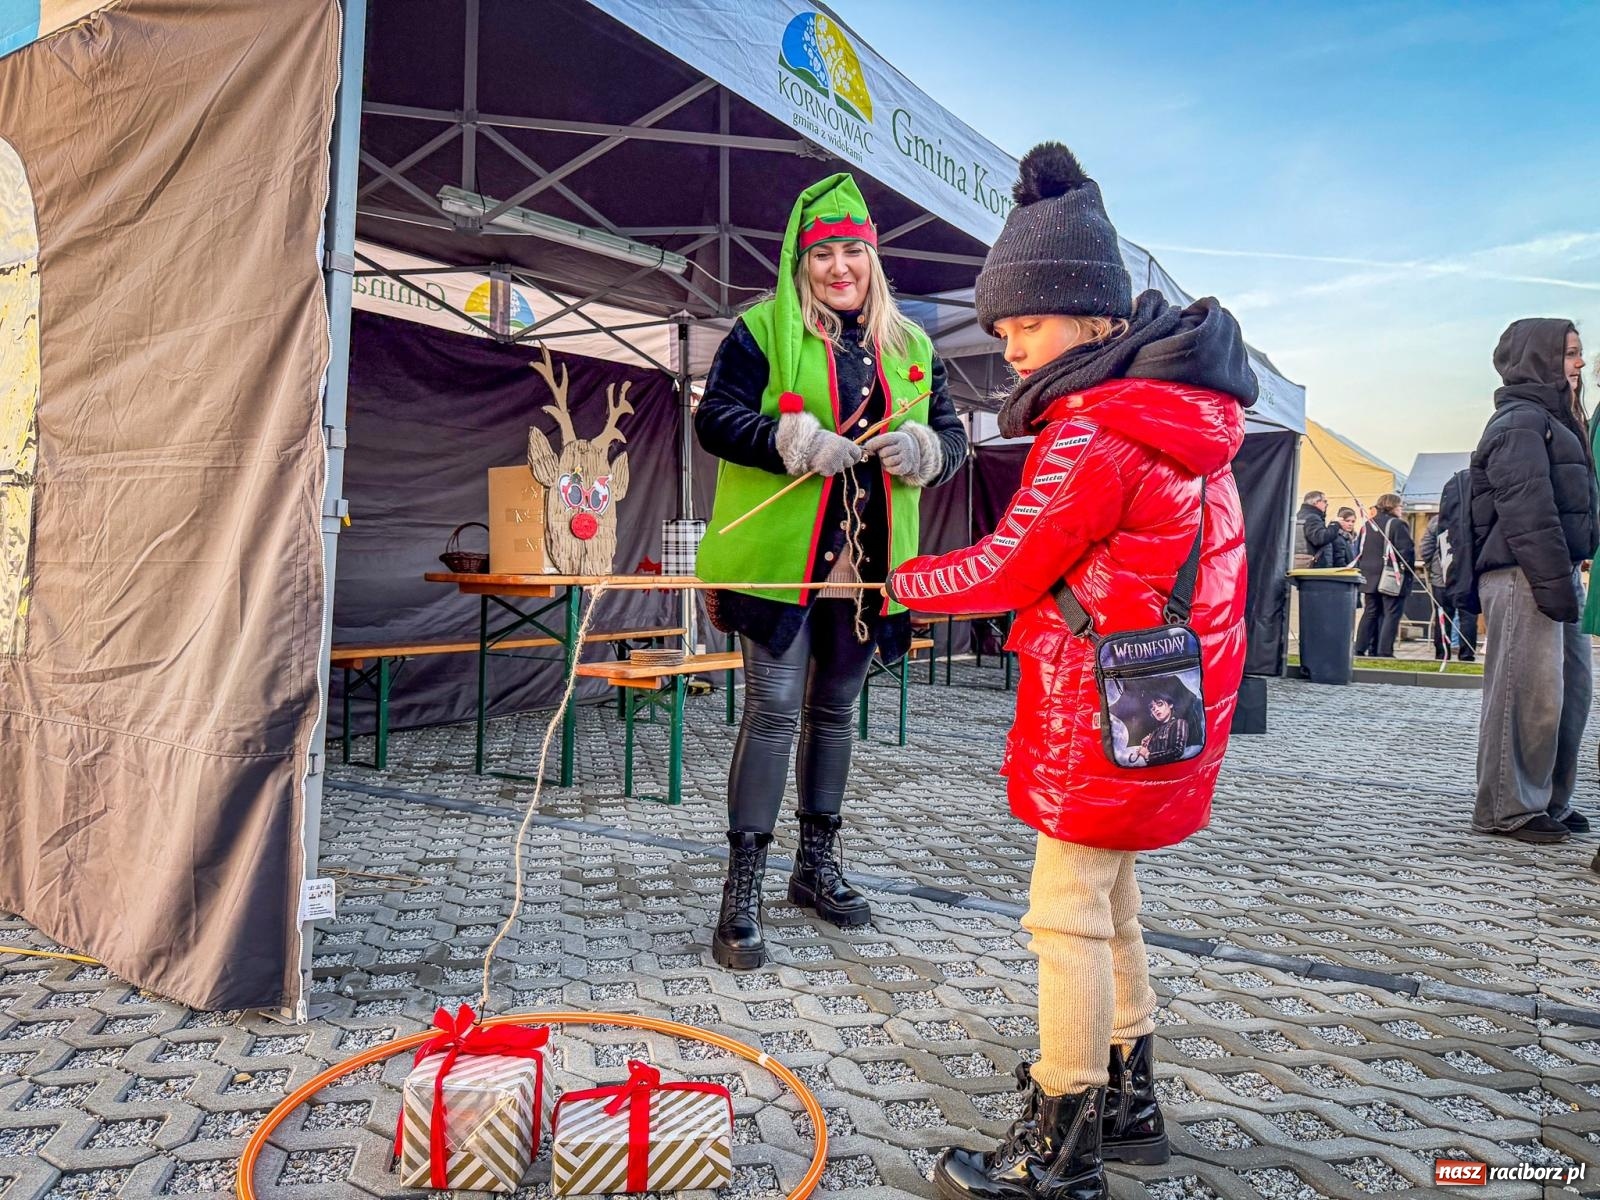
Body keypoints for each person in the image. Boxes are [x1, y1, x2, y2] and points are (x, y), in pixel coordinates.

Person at [887, 143, 1253, 1200]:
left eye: (1027, 325)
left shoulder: (1095, 429)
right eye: (1000, 331)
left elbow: (1008, 566)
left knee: (1064, 916)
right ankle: (1128, 1109)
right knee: (1111, 902)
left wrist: (900, 585)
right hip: (1164, 693)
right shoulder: (1186, 418)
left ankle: (1060, 1147)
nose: (1010, 351)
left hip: (1098, 703)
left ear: (1092, 318)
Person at [693, 173, 967, 968]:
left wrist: (927, 451)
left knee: (837, 711)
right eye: (824, 253)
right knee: (774, 709)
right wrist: (796, 443)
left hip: (868, 564)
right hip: (780, 561)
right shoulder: (760, 331)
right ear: (800, 260)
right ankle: (739, 895)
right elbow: (716, 419)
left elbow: (951, 438)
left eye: (853, 251)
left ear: (872, 260)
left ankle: (815, 871)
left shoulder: (913, 348)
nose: (839, 266)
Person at [1471, 319, 1595, 843]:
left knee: (1569, 694)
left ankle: (1547, 800)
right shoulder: (1520, 421)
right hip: (1525, 573)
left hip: (1553, 571)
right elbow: (1527, 512)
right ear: (1539, 358)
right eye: (1569, 353)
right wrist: (1552, 582)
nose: (1580, 363)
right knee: (1525, 694)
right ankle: (1506, 808)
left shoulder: (1555, 419)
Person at [1353, 493, 1413, 656]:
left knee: (1371, 612)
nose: (1402, 509)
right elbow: (1405, 553)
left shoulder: (1368, 524)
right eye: (1400, 506)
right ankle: (1384, 651)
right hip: (1390, 574)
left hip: (1369, 574)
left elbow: (1359, 548)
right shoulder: (1397, 525)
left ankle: (1360, 648)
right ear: (1392, 506)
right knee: (1391, 613)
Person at [1419, 511, 1477, 661]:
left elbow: (1426, 547)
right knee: (1468, 616)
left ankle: (1442, 654)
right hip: (1467, 574)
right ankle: (1467, 654)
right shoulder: (1472, 516)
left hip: (1442, 575)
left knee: (1442, 616)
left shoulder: (1437, 521)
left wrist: (1432, 566)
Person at [1294, 490, 1342, 568]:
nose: (1327, 504)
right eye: (1325, 501)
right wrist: (1334, 525)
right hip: (1314, 565)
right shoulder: (1312, 517)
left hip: (1299, 562)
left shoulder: (1298, 516)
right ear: (1316, 502)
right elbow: (1320, 538)